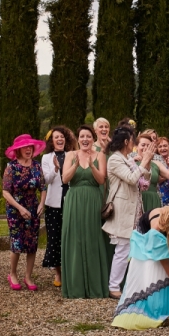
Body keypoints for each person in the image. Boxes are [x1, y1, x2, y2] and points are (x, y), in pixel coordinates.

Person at [110, 206, 169, 330]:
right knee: (152, 270)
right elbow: (163, 261)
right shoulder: (156, 229)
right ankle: (150, 310)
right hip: (147, 237)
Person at [103, 127, 154, 299]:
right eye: (133, 140)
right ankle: (114, 286)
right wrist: (143, 161)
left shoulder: (128, 159)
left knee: (136, 247)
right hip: (123, 209)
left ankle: (132, 283)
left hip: (136, 209)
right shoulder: (115, 160)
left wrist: (146, 163)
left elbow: (143, 184)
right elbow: (132, 179)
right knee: (123, 248)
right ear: (126, 142)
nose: (134, 144)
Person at [60, 125, 109, 299]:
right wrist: (75, 166)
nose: (85, 139)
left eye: (88, 136)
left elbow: (101, 180)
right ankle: (76, 287)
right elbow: (65, 179)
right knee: (76, 238)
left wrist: (91, 166)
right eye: (82, 136)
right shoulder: (70, 155)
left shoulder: (100, 155)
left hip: (93, 200)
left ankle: (95, 286)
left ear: (92, 139)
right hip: (74, 200)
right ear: (78, 139)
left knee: (92, 237)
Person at [1, 134, 47, 291]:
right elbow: (5, 192)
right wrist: (20, 208)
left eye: (30, 147)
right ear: (18, 150)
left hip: (33, 208)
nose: (28, 149)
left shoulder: (36, 166)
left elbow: (43, 187)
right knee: (17, 242)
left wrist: (41, 203)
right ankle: (12, 274)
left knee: (32, 243)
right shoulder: (11, 167)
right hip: (15, 209)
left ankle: (28, 276)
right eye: (25, 147)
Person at [41, 126, 74, 287]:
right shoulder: (46, 158)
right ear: (51, 141)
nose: (60, 139)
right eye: (56, 137)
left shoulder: (72, 155)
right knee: (54, 239)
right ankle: (58, 274)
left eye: (62, 136)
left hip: (71, 201)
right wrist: (55, 169)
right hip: (54, 204)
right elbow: (46, 180)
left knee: (69, 238)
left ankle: (71, 272)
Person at [136, 132, 167, 212]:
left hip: (153, 199)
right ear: (136, 147)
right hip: (137, 199)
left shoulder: (156, 162)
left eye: (148, 146)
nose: (146, 148)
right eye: (143, 145)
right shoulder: (131, 161)